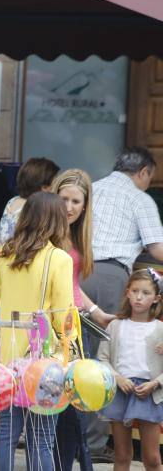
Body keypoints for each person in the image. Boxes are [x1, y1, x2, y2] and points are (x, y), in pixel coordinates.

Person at [83, 147, 163, 462]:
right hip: (110, 276)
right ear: (142, 172)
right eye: (150, 178)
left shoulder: (91, 189)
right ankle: (92, 443)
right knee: (104, 355)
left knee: (78, 355)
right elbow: (157, 248)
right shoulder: (140, 199)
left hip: (78, 274)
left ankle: (69, 438)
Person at [0, 191, 75, 471]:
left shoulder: (5, 255)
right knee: (41, 439)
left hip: (5, 358)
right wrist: (72, 350)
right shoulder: (59, 259)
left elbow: (1, 301)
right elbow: (63, 316)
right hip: (42, 360)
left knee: (6, 434)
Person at [51, 169, 113, 471]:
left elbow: (73, 285)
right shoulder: (46, 232)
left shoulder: (78, 234)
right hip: (52, 329)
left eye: (76, 201)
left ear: (85, 205)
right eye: (64, 199)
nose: (69, 207)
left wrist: (97, 313)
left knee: (73, 409)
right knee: (57, 406)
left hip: (75, 327)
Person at [98, 269, 163, 471]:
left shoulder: (160, 329)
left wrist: (155, 383)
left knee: (152, 458)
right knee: (122, 454)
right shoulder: (115, 325)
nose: (139, 297)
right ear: (127, 292)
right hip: (120, 390)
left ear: (156, 298)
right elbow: (102, 359)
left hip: (149, 393)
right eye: (135, 291)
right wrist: (117, 378)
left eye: (146, 293)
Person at [0, 157, 59, 242]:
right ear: (44, 188)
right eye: (55, 182)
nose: (58, 187)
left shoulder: (13, 201)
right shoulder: (38, 209)